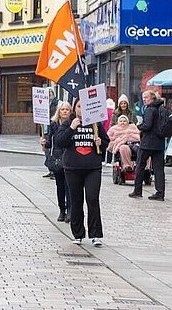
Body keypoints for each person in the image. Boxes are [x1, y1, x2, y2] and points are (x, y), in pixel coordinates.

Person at [54, 99, 109, 247]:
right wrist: (71, 128)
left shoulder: (95, 124)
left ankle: (96, 234)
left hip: (92, 168)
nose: (81, 109)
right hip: (73, 168)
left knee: (92, 199)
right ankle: (78, 234)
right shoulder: (68, 123)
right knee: (76, 201)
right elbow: (59, 142)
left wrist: (100, 143)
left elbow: (106, 142)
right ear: (74, 108)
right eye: (79, 106)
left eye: (84, 106)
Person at [129, 90, 166, 201]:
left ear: (152, 98)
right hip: (159, 143)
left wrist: (139, 126)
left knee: (140, 165)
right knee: (159, 169)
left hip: (147, 143)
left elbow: (147, 126)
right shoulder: (161, 108)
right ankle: (160, 193)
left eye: (146, 97)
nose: (144, 99)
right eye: (143, 97)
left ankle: (137, 190)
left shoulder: (150, 109)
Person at [40, 101, 72, 223]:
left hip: (69, 157)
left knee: (69, 186)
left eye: (67, 109)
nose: (64, 111)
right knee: (60, 186)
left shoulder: (73, 124)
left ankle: (70, 210)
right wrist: (44, 143)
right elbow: (49, 142)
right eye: (62, 109)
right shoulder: (53, 125)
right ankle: (62, 210)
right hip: (57, 158)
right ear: (58, 111)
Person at [42, 88, 60, 178]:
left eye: (50, 92)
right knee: (45, 149)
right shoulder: (43, 103)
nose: (49, 94)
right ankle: (50, 169)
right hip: (45, 127)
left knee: (52, 150)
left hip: (52, 128)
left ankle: (54, 169)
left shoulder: (56, 103)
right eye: (47, 93)